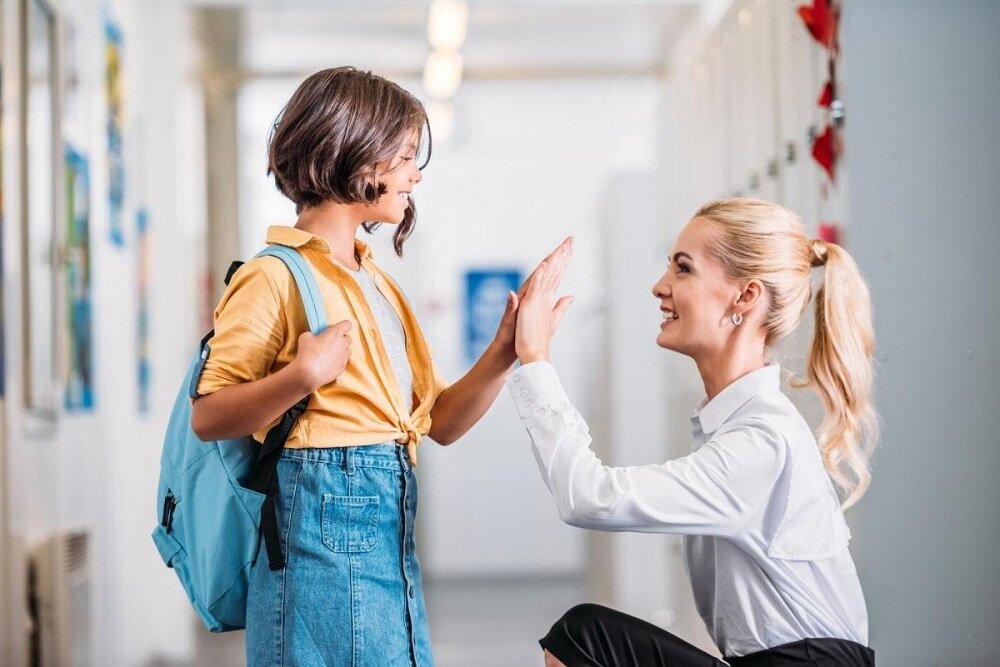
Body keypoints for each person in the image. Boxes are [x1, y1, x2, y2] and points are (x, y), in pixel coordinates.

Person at [190, 66, 571, 667]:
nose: (415, 173)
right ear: (354, 155)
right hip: (318, 541)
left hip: (387, 536)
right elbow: (209, 416)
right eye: (402, 156)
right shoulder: (273, 276)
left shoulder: (378, 287)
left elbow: (441, 422)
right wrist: (299, 378)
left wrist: (508, 348)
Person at [507, 197, 878, 666]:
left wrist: (536, 357)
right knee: (584, 635)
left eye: (683, 269)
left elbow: (589, 495)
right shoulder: (736, 427)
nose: (660, 287)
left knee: (585, 637)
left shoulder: (763, 440)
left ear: (746, 297)